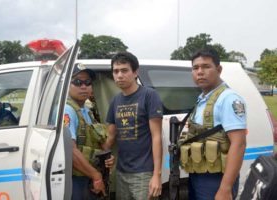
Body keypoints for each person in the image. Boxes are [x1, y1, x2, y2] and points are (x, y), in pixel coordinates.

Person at [179, 48, 247, 200]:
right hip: (198, 171)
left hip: (216, 178)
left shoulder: (229, 99)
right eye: (195, 68)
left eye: (206, 66)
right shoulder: (203, 98)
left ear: (219, 69)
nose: (200, 72)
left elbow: (239, 144)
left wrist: (225, 188)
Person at [104, 52, 163, 200]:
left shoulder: (149, 95)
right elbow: (110, 136)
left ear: (135, 72)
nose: (119, 75)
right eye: (116, 71)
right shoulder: (115, 101)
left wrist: (157, 175)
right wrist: (104, 156)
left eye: (124, 70)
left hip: (143, 173)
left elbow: (157, 137)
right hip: (121, 171)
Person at [64, 66, 114, 200]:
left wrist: (108, 158)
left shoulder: (86, 111)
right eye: (78, 82)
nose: (84, 86)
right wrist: (96, 176)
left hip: (86, 176)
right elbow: (70, 150)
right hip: (76, 179)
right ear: (66, 84)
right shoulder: (68, 110)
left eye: (88, 83)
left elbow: (95, 140)